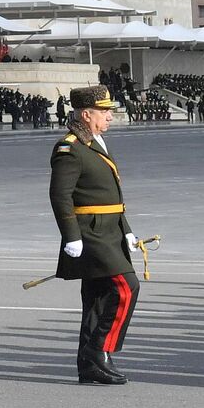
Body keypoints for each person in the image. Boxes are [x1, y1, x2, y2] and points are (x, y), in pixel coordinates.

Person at [51, 86, 137, 386]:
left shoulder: (96, 142)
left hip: (109, 230)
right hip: (91, 233)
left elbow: (112, 193)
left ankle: (89, 365)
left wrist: (126, 231)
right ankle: (98, 350)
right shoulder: (70, 147)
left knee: (98, 299)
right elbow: (60, 195)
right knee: (127, 288)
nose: (110, 116)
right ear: (86, 115)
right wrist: (71, 235)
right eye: (104, 111)